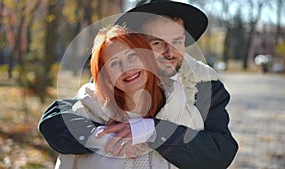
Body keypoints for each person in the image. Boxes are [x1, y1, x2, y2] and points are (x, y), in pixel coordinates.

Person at [39, 0, 238, 168]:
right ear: (138, 45)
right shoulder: (121, 77)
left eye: (177, 41)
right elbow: (55, 120)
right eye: (158, 43)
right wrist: (103, 138)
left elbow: (220, 153)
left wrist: (154, 131)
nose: (170, 53)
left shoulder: (204, 85)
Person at [55, 25, 205, 169]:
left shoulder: (185, 115)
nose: (126, 68)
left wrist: (150, 130)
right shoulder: (84, 115)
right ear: (105, 76)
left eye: (132, 56)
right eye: (114, 63)